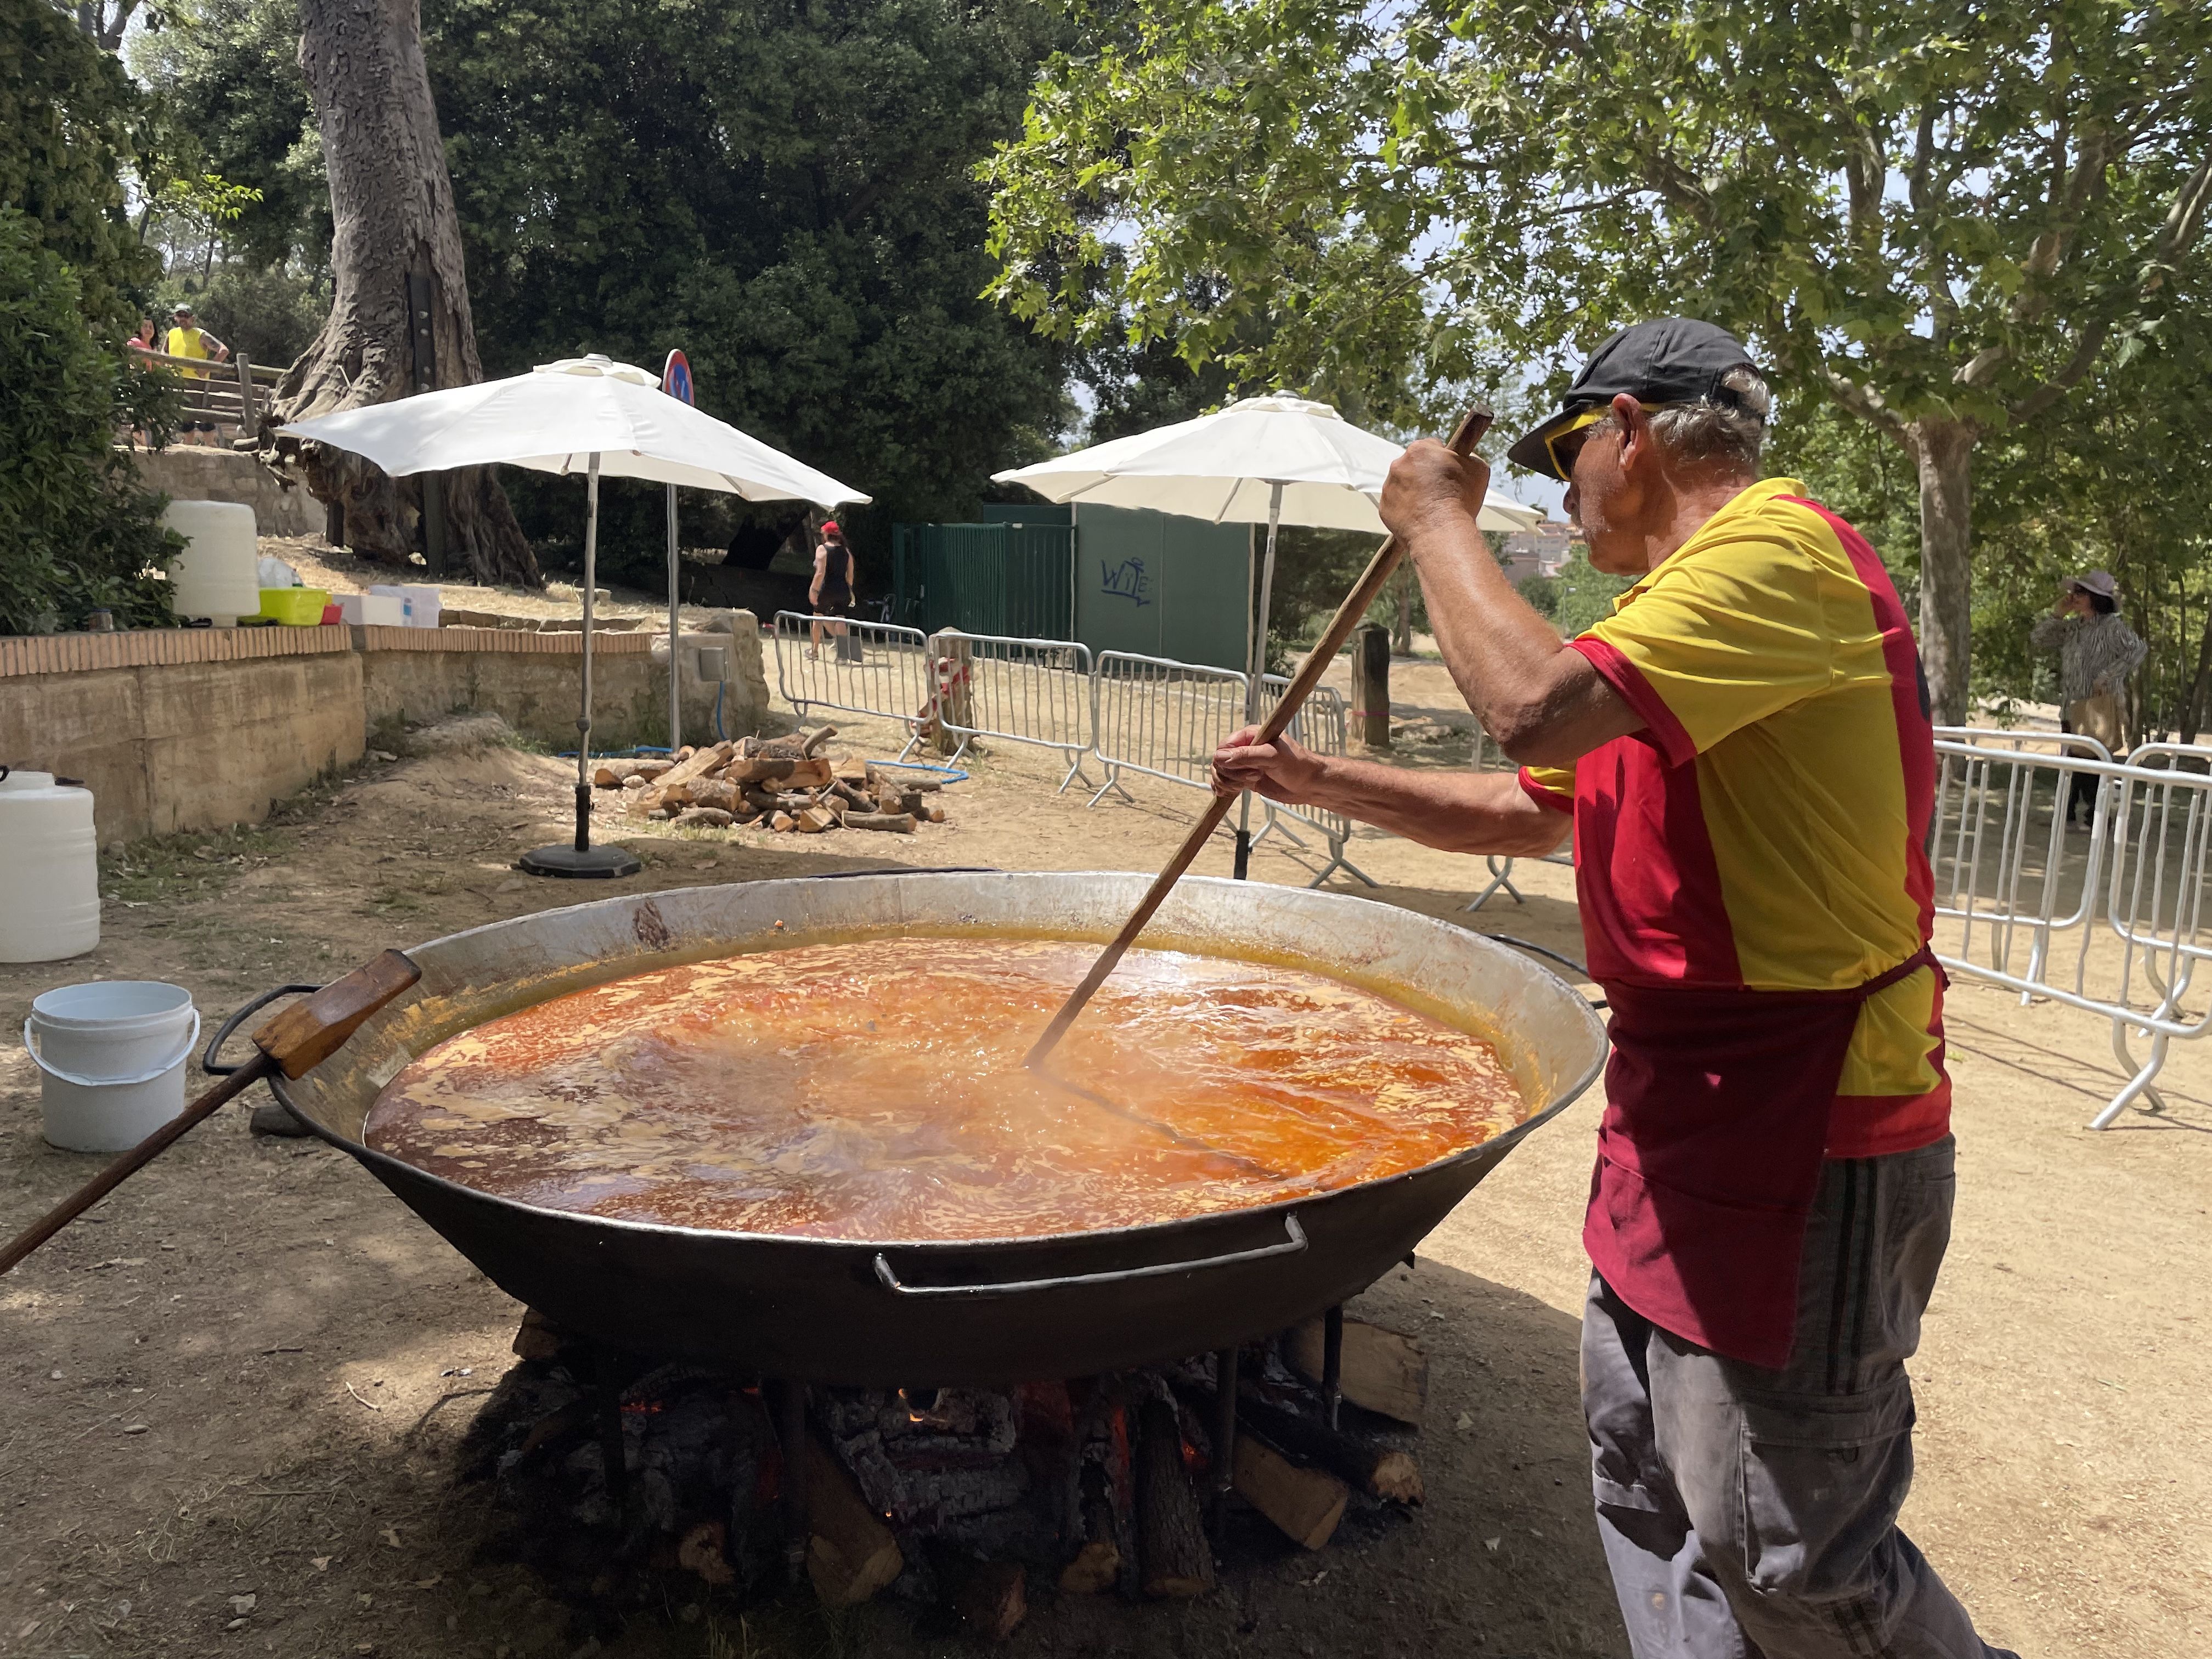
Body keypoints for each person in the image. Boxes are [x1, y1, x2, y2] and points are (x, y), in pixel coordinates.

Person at [1214, 318, 2017, 1659]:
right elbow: (1528, 807)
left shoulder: (1778, 554)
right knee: (1647, 1492)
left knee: (1789, 1559)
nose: (1557, 484)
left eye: (1564, 451)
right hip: (1677, 1115)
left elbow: (1529, 708)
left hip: (1811, 1132)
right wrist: (1316, 781)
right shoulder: (1672, 626)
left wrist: (1431, 524)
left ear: (1630, 432)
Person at [2031, 570, 2146, 827]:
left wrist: (2107, 676)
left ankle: (2097, 814)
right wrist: (2058, 613)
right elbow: (2039, 639)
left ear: (2096, 597)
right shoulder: (2073, 627)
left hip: (2098, 707)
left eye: (2081, 593)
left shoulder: (2112, 628)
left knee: (2094, 760)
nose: (2074, 597)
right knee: (2072, 759)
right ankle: (2068, 812)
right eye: (2074, 592)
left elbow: (2138, 650)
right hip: (2071, 706)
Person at [165, 304, 230, 445]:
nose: (183, 319)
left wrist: (206, 369)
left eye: (186, 316)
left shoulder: (201, 335)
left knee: (203, 419)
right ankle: (189, 448)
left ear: (192, 319)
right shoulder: (172, 334)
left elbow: (223, 351)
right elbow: (164, 354)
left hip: (199, 389)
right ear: (175, 317)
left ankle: (211, 447)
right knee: (186, 421)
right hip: (178, 387)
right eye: (179, 315)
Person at [808, 520, 856, 660]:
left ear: (827, 534)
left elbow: (820, 573)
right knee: (840, 619)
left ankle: (814, 651)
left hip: (826, 588)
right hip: (842, 589)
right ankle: (842, 656)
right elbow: (850, 575)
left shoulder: (822, 549)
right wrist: (849, 590)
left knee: (817, 617)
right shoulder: (846, 552)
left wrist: (814, 589)